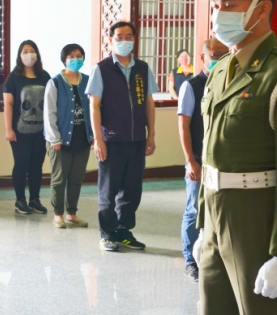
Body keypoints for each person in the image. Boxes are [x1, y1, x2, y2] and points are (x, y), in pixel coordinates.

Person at [195, 0, 277, 315]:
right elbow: (212, 155)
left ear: (262, 8)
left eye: (230, 3)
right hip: (216, 221)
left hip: (257, 225)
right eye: (217, 3)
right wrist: (204, 227)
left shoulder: (275, 72)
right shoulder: (221, 69)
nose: (218, 12)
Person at [86, 21, 159, 252]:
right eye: (119, 36)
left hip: (137, 139)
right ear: (110, 39)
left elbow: (148, 102)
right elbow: (94, 106)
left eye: (129, 36)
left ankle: (123, 231)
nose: (124, 40)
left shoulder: (142, 68)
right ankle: (107, 234)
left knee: (132, 189)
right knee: (108, 191)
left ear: (134, 39)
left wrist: (151, 134)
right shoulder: (102, 69)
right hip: (111, 140)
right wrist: (98, 139)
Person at [176, 38, 228, 282]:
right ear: (203, 58)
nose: (218, 58)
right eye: (214, 55)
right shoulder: (192, 86)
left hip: (222, 162)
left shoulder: (229, 81)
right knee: (194, 209)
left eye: (223, 54)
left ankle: (213, 256)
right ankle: (190, 259)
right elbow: (184, 126)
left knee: (217, 209)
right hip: (198, 159)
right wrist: (190, 161)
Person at [43, 43, 93, 228]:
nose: (76, 59)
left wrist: (94, 135)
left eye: (79, 56)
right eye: (72, 56)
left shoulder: (88, 81)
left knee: (76, 179)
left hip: (82, 138)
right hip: (60, 140)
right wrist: (54, 138)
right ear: (64, 59)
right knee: (59, 179)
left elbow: (95, 109)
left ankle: (72, 213)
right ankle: (58, 214)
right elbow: (49, 113)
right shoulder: (55, 82)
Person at [3, 40, 51, 215]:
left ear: (37, 54)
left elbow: (51, 104)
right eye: (25, 51)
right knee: (22, 163)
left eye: (32, 51)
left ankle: (35, 199)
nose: (29, 54)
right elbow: (8, 104)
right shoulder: (14, 77)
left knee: (37, 165)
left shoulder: (45, 76)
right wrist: (9, 129)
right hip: (19, 130)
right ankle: (20, 200)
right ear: (19, 55)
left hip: (42, 131)